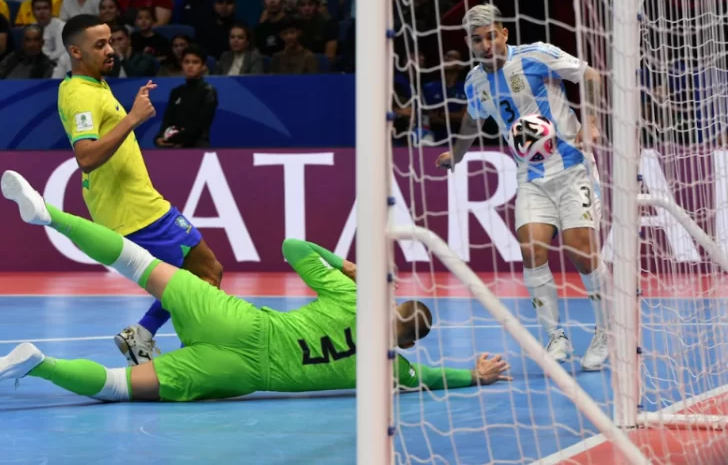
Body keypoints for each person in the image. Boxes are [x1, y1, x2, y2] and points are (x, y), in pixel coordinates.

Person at [0, 170, 512, 402]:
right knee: (118, 387)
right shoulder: (392, 370)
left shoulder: (356, 296)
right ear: (405, 342)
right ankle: (40, 365)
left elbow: (291, 246)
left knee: (138, 262)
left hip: (241, 322)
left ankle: (48, 214)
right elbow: (438, 376)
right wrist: (476, 374)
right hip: (240, 372)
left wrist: (346, 265)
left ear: (391, 306)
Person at [436, 4, 609, 370]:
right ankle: (556, 337)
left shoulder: (537, 55)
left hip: (573, 166)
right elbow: (473, 117)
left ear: (504, 34)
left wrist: (590, 122)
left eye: (491, 36)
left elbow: (590, 75)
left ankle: (606, 330)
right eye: (476, 39)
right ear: (468, 42)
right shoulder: (474, 82)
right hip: (530, 176)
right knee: (532, 248)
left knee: (580, 250)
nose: (485, 45)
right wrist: (458, 153)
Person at [56, 14, 223, 367]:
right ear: (75, 52)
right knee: (206, 273)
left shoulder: (95, 87)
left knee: (196, 275)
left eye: (110, 41)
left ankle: (145, 334)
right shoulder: (80, 95)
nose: (110, 49)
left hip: (138, 206)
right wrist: (133, 119)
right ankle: (204, 352)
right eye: (98, 45)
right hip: (134, 212)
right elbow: (85, 157)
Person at [155, 44, 218, 148]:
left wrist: (173, 139)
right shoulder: (176, 92)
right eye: (186, 62)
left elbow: (199, 127)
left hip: (197, 146)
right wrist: (158, 138)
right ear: (181, 64)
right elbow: (167, 120)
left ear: (204, 66)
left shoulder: (208, 91)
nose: (190, 66)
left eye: (195, 62)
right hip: (174, 145)